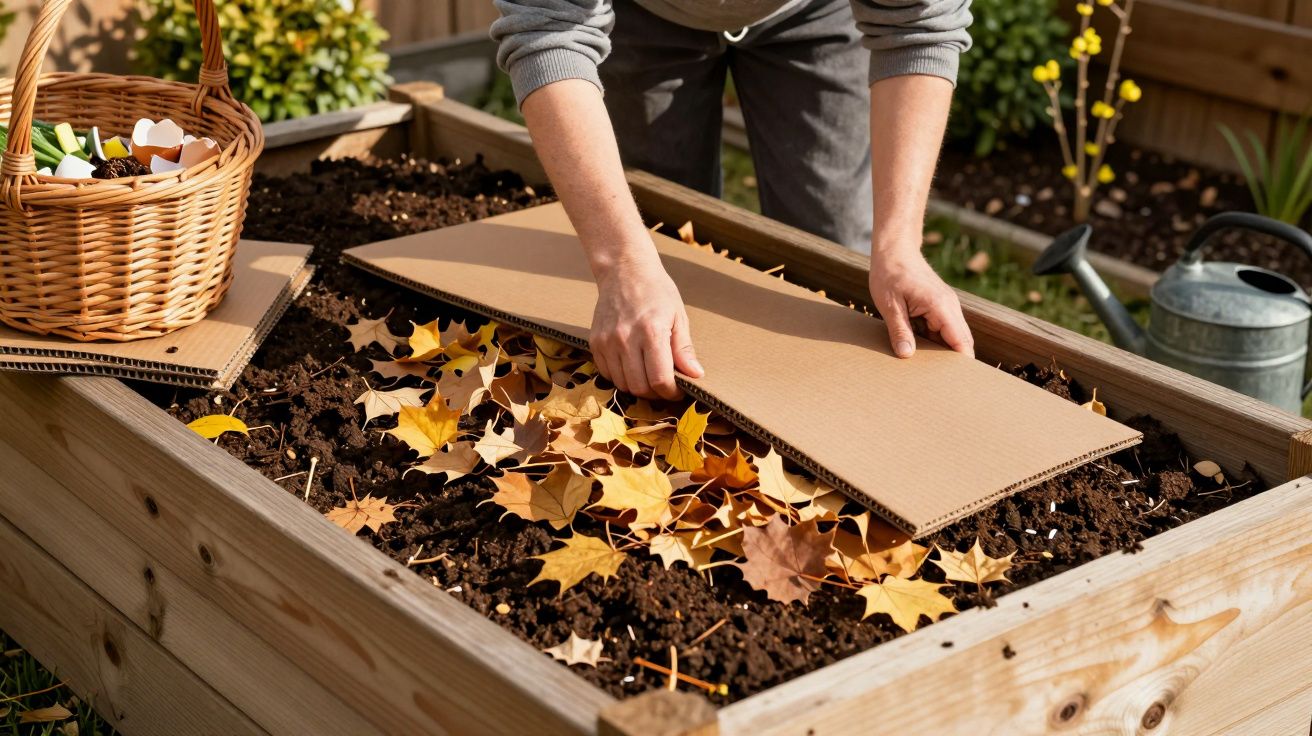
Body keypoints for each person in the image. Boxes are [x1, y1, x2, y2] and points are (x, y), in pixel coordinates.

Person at [491, 0, 976, 401]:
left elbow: (919, 27)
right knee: (659, 241)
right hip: (641, 18)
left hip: (816, 13)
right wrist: (620, 263)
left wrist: (900, 247)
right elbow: (549, 34)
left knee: (834, 255)